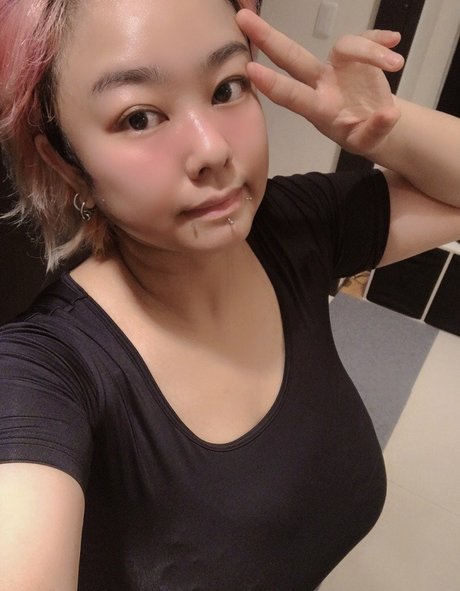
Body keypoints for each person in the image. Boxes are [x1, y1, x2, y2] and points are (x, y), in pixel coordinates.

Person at [0, 0, 459, 589]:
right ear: (67, 165)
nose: (213, 149)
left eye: (226, 88)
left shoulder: (291, 228)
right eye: (139, 118)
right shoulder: (41, 373)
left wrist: (384, 127)